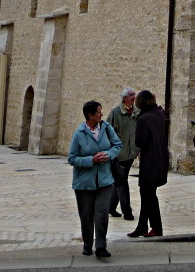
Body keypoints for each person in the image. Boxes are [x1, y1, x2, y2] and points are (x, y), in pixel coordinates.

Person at [67, 100, 122, 258]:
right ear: (90, 116)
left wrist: (109, 155)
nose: (101, 114)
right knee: (86, 215)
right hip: (84, 183)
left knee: (102, 214)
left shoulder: (106, 128)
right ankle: (87, 244)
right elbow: (72, 158)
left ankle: (101, 246)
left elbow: (117, 145)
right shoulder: (79, 133)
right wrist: (91, 160)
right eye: (98, 112)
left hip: (105, 180)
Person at [128, 90, 168, 238]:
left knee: (149, 195)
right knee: (147, 194)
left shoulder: (144, 119)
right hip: (159, 160)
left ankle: (157, 227)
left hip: (150, 162)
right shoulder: (158, 115)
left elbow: (140, 141)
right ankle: (142, 226)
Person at [107, 86, 140, 221]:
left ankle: (110, 207)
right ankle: (127, 211)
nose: (134, 97)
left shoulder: (137, 113)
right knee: (122, 181)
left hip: (131, 152)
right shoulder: (116, 112)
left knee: (119, 180)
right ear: (125, 97)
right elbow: (107, 131)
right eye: (131, 95)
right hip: (119, 154)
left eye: (134, 94)